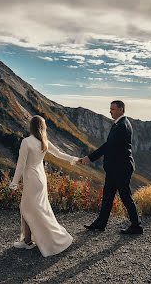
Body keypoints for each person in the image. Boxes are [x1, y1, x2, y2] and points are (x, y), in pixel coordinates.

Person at [9, 115, 79, 257]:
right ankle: (28, 241)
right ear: (43, 127)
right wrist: (74, 159)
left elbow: (21, 165)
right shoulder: (44, 142)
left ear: (31, 127)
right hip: (41, 179)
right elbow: (59, 154)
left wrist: (14, 183)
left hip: (31, 179)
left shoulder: (26, 142)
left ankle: (37, 241)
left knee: (27, 209)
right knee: (35, 209)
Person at [78, 100, 143, 234]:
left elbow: (108, 146)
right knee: (108, 196)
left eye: (113, 109)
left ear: (121, 109)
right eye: (110, 109)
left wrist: (89, 158)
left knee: (125, 196)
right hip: (116, 168)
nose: (110, 111)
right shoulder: (121, 123)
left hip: (121, 168)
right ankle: (101, 224)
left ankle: (137, 225)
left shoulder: (122, 125)